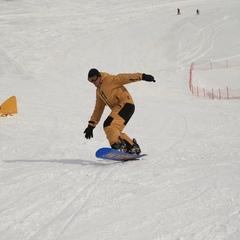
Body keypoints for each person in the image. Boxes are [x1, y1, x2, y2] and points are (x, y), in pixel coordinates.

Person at [83, 69, 156, 155]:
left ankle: (117, 146)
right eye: (90, 80)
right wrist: (91, 125)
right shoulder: (99, 92)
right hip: (121, 108)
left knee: (109, 125)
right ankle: (132, 147)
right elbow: (98, 109)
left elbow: (125, 77)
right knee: (115, 130)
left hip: (126, 104)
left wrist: (142, 76)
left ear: (99, 76)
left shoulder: (109, 80)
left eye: (94, 78)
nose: (93, 82)